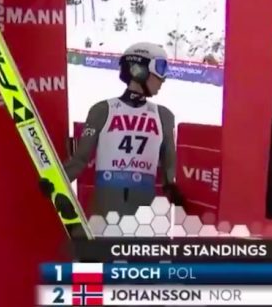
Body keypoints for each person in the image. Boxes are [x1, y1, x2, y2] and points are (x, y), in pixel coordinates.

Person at [42, 41, 184, 217]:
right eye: (160, 68)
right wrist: (55, 181)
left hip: (146, 210)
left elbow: (169, 169)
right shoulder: (102, 110)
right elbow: (80, 160)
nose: (163, 78)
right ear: (138, 70)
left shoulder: (164, 116)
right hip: (106, 204)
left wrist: (173, 191)